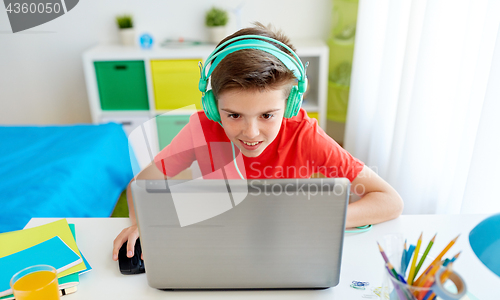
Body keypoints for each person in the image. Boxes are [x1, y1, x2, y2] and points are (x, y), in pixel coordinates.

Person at [112, 23, 404, 261]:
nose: (251, 133)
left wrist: (316, 220)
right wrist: (140, 224)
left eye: (267, 115)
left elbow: (389, 201)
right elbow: (140, 186)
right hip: (220, 248)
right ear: (214, 108)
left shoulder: (305, 135)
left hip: (286, 251)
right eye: (234, 115)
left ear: (289, 106)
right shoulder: (201, 128)